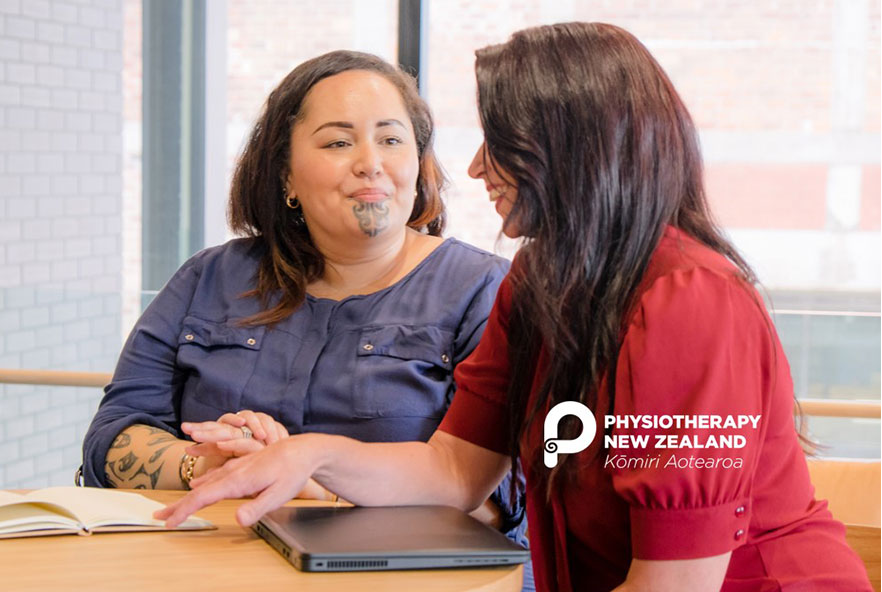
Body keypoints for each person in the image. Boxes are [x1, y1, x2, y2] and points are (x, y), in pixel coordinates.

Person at [156, 23, 872, 592]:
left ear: (573, 152)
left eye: (497, 146)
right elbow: (455, 472)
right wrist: (309, 454)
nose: (471, 170)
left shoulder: (688, 304)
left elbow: (674, 584)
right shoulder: (540, 280)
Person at [81, 50, 531, 582]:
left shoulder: (487, 289)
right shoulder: (209, 277)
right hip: (207, 572)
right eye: (339, 142)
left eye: (391, 139)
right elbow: (110, 439)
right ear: (285, 176)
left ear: (419, 165)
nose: (371, 162)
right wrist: (208, 464)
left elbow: (504, 499)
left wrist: (309, 475)